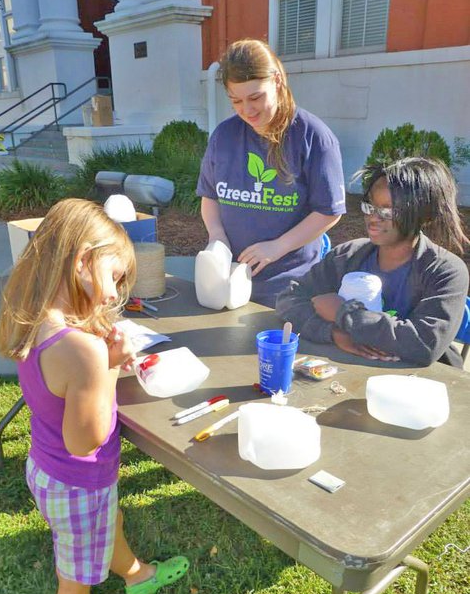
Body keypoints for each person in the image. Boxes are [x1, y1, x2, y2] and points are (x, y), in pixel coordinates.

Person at [0, 199, 189, 594]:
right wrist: (110, 365)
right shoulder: (83, 350)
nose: (114, 293)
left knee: (111, 522)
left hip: (47, 470)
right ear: (83, 261)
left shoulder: (36, 318)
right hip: (79, 482)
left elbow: (61, 394)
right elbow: (85, 438)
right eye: (115, 276)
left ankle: (137, 574)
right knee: (74, 579)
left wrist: (98, 360)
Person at [276, 157, 470, 367]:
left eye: (388, 211)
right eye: (370, 206)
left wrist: (345, 313)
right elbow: (289, 299)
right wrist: (333, 333)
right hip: (348, 372)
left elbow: (425, 344)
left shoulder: (445, 271)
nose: (373, 218)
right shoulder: (348, 256)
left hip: (419, 380)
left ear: (425, 215)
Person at [197, 38, 346, 308]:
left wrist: (278, 246)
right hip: (228, 279)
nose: (247, 110)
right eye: (236, 101)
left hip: (289, 286)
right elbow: (210, 197)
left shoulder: (314, 137)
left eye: (255, 97)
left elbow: (328, 212)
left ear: (277, 80)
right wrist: (217, 236)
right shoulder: (224, 136)